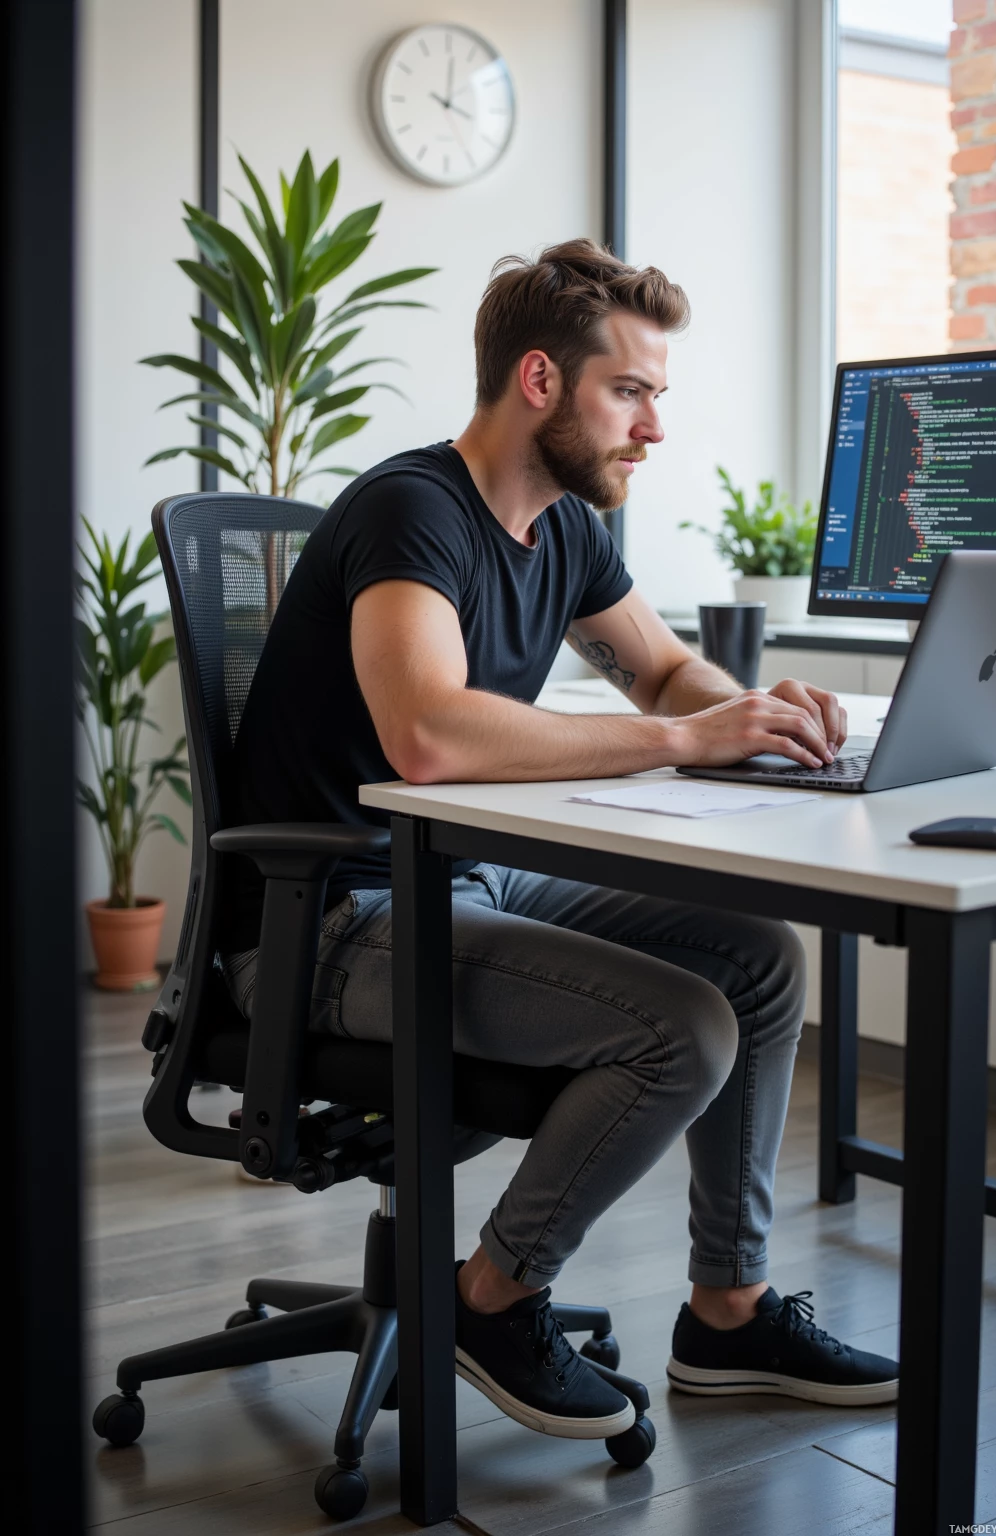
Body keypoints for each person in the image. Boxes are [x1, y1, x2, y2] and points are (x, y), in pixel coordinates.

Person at [221, 238, 899, 1440]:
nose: (651, 426)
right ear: (539, 381)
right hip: (325, 919)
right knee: (680, 1027)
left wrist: (755, 714)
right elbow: (427, 733)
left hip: (452, 882)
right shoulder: (411, 511)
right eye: (629, 392)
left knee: (758, 959)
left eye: (655, 397)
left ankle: (727, 1314)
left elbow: (663, 672)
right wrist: (691, 744)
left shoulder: (567, 530)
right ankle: (492, 1296)